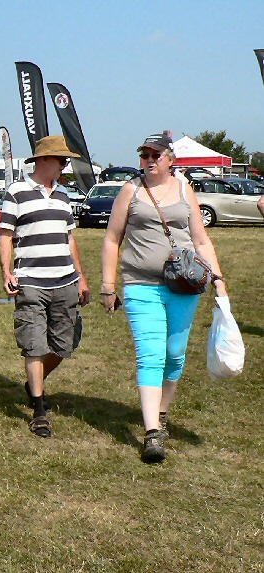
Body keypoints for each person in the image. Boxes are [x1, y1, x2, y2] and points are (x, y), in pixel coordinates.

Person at [101, 131, 227, 463]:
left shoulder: (185, 188)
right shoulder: (131, 189)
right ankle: (152, 433)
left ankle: (163, 411)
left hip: (183, 285)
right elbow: (113, 238)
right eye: (145, 155)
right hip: (140, 285)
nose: (149, 160)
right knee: (151, 356)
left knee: (174, 355)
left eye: (156, 155)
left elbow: (200, 240)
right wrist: (107, 285)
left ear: (171, 159)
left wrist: (219, 280)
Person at [0, 135, 90, 439]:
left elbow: (69, 239)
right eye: (62, 160)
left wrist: (81, 277)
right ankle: (38, 409)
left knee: (64, 346)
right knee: (34, 345)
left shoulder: (63, 195)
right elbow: (6, 235)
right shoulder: (17, 192)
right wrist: (6, 272)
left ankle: (32, 382)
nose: (65, 165)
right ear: (44, 160)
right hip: (31, 282)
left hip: (65, 281)